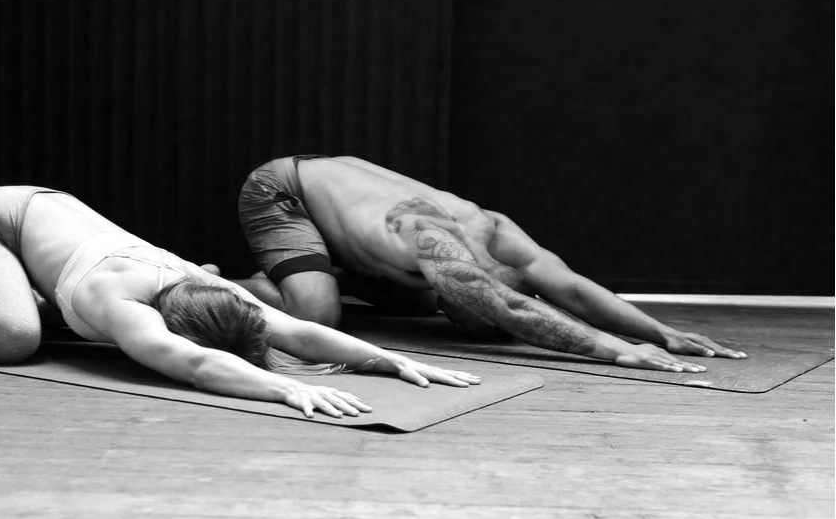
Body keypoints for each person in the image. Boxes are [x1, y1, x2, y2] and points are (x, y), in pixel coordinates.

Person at [0, 186, 480, 419]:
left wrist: (390, 359)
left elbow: (297, 332)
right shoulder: (122, 305)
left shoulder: (202, 285)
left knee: (57, 319)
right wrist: (285, 388)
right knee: (13, 339)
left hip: (51, 223)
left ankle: (33, 298)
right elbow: (196, 364)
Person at [236, 155, 748, 373]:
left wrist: (660, 333)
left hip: (350, 208)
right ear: (474, 286)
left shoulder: (496, 231)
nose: (461, 325)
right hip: (286, 190)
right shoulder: (427, 235)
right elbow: (506, 306)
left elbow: (570, 288)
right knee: (318, 318)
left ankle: (320, 271)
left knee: (417, 302)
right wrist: (620, 351)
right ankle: (230, 283)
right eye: (469, 316)